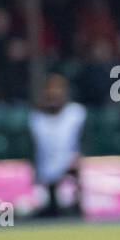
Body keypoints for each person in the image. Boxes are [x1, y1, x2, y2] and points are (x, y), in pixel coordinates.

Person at [28, 74, 86, 218]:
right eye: (50, 91)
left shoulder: (75, 114)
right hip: (44, 171)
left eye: (58, 90)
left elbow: (85, 141)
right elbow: (32, 148)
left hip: (70, 170)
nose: (54, 94)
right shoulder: (36, 118)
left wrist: (78, 158)